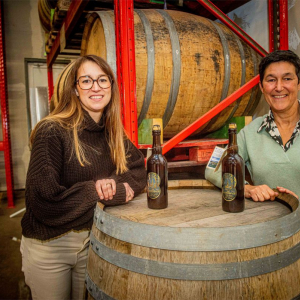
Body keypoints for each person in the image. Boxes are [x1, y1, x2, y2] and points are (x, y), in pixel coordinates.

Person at [20, 55, 147, 300]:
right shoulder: (53, 131)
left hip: (93, 239)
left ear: (111, 85)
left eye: (102, 79)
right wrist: (100, 191)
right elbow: (44, 202)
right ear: (75, 89)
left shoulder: (111, 132)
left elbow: (138, 170)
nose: (96, 87)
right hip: (51, 245)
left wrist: (114, 186)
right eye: (86, 81)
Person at [205, 49, 300, 201]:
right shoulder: (250, 133)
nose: (279, 87)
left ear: (299, 84)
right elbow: (213, 170)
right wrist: (247, 188)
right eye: (271, 80)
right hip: (272, 222)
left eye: (287, 79)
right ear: (262, 88)